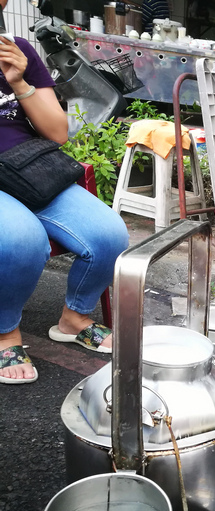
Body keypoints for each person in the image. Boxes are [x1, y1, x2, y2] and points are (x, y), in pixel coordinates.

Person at [0, 6, 129, 385]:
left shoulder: (18, 50)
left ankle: (75, 317)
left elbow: (57, 132)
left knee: (109, 235)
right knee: (22, 241)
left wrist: (19, 81)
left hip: (29, 168)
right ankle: (6, 332)